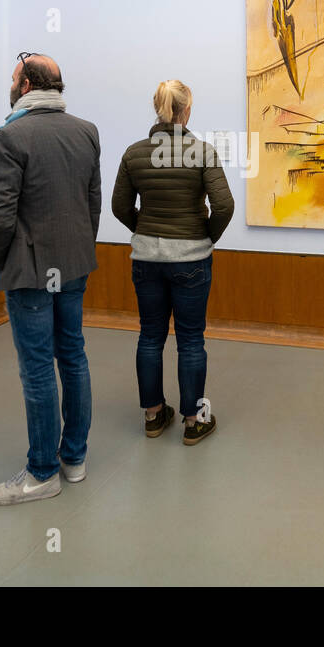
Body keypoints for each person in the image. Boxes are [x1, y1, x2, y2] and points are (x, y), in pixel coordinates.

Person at [0, 53, 101, 506]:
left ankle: (41, 472)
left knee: (37, 369)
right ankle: (74, 460)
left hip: (30, 272)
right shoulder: (86, 131)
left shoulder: (12, 136)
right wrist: (79, 250)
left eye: (14, 78)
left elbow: (0, 216)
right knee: (73, 356)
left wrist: (0, 260)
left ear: (28, 85)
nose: (11, 85)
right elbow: (92, 204)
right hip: (73, 265)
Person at [111, 80, 234, 445]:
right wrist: (205, 235)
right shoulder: (202, 152)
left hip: (147, 258)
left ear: (157, 108)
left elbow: (119, 207)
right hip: (191, 259)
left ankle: (152, 416)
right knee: (191, 340)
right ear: (187, 110)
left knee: (150, 336)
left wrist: (144, 230)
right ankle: (194, 422)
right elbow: (224, 206)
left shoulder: (134, 153)